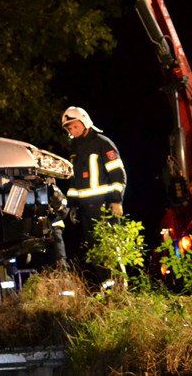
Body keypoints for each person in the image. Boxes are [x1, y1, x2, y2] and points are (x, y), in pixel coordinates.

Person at [61, 107, 127, 265]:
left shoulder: (103, 143)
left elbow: (117, 173)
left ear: (85, 122)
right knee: (95, 253)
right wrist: (73, 206)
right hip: (85, 210)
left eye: (75, 126)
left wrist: (116, 201)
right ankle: (104, 281)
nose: (73, 130)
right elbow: (74, 181)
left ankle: (117, 281)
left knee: (110, 251)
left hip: (105, 207)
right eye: (70, 128)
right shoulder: (74, 148)